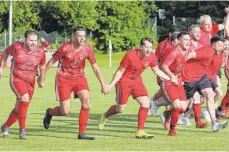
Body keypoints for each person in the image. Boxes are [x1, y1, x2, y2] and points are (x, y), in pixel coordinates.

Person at [98, 37, 170, 139]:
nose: (149, 49)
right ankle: (105, 116)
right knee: (120, 108)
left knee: (145, 103)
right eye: (146, 47)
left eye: (150, 47)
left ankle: (140, 131)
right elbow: (120, 71)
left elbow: (157, 71)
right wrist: (110, 85)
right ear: (140, 47)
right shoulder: (130, 55)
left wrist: (170, 78)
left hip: (137, 81)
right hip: (123, 81)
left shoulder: (151, 56)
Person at [43, 27, 106, 140]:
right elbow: (51, 61)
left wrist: (103, 84)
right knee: (64, 111)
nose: (82, 38)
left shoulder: (87, 49)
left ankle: (82, 133)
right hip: (63, 79)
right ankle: (50, 113)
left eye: (83, 36)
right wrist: (42, 77)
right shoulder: (65, 48)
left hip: (79, 78)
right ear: (74, 37)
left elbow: (95, 67)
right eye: (79, 36)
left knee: (86, 101)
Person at [0, 29, 46, 139]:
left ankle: (5, 126)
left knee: (20, 108)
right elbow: (6, 52)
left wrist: (41, 79)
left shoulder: (40, 51)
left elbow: (43, 65)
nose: (33, 43)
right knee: (24, 99)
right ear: (25, 39)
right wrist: (1, 68)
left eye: (35, 41)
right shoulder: (16, 47)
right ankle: (22, 130)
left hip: (30, 82)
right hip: (16, 79)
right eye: (31, 40)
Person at [183, 36, 228, 132]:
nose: (222, 47)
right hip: (190, 78)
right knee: (181, 104)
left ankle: (214, 123)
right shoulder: (207, 51)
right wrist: (178, 68)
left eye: (223, 45)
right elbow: (189, 55)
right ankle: (167, 113)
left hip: (201, 77)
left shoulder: (215, 53)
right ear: (213, 45)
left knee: (210, 95)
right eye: (220, 45)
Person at [160, 32, 190, 136]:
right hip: (169, 81)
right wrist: (172, 76)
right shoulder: (175, 51)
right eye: (185, 40)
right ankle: (172, 131)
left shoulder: (186, 51)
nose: (188, 42)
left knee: (183, 108)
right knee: (177, 106)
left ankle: (166, 115)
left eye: (188, 40)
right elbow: (163, 66)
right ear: (179, 41)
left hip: (179, 82)